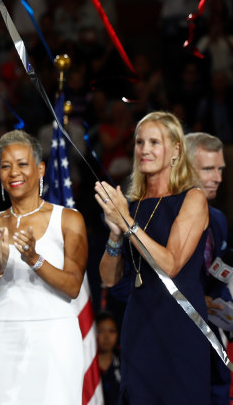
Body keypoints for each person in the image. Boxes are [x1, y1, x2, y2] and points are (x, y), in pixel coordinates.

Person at [96, 111, 210, 403]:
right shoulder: (130, 206)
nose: (144, 149)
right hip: (139, 325)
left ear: (175, 150)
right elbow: (109, 279)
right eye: (139, 142)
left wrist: (127, 224)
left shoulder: (192, 198)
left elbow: (170, 264)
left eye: (154, 142)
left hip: (180, 326)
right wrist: (114, 234)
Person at [0, 130, 87, 404]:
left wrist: (34, 259)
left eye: (22, 164)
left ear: (40, 169)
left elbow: (72, 287)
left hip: (54, 339)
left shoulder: (69, 220)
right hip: (1, 340)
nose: (13, 172)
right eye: (6, 166)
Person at [185, 131, 232, 404]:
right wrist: (196, 301)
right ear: (186, 168)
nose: (218, 177)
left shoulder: (218, 220)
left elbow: (217, 275)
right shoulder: (160, 217)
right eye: (208, 169)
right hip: (174, 341)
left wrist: (225, 307)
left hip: (214, 342)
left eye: (220, 169)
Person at [95, 311, 121, 405]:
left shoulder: (124, 367)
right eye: (101, 331)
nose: (106, 337)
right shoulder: (87, 368)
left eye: (111, 331)